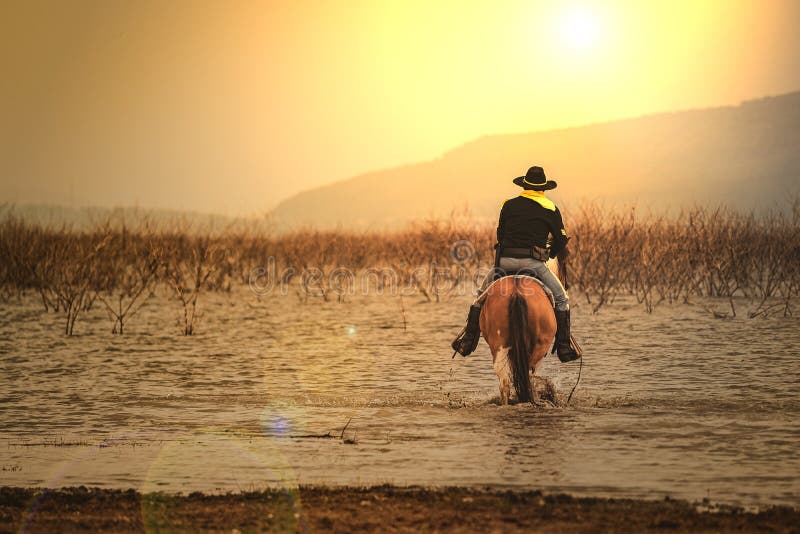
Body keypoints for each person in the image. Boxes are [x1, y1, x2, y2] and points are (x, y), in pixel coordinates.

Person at [451, 166, 580, 362]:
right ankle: (563, 347)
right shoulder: (550, 208)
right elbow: (561, 242)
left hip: (504, 263)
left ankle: (468, 339)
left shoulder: (508, 205)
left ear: (524, 185)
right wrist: (549, 254)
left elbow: (500, 235)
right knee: (562, 299)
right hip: (534, 264)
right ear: (543, 189)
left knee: (479, 297)